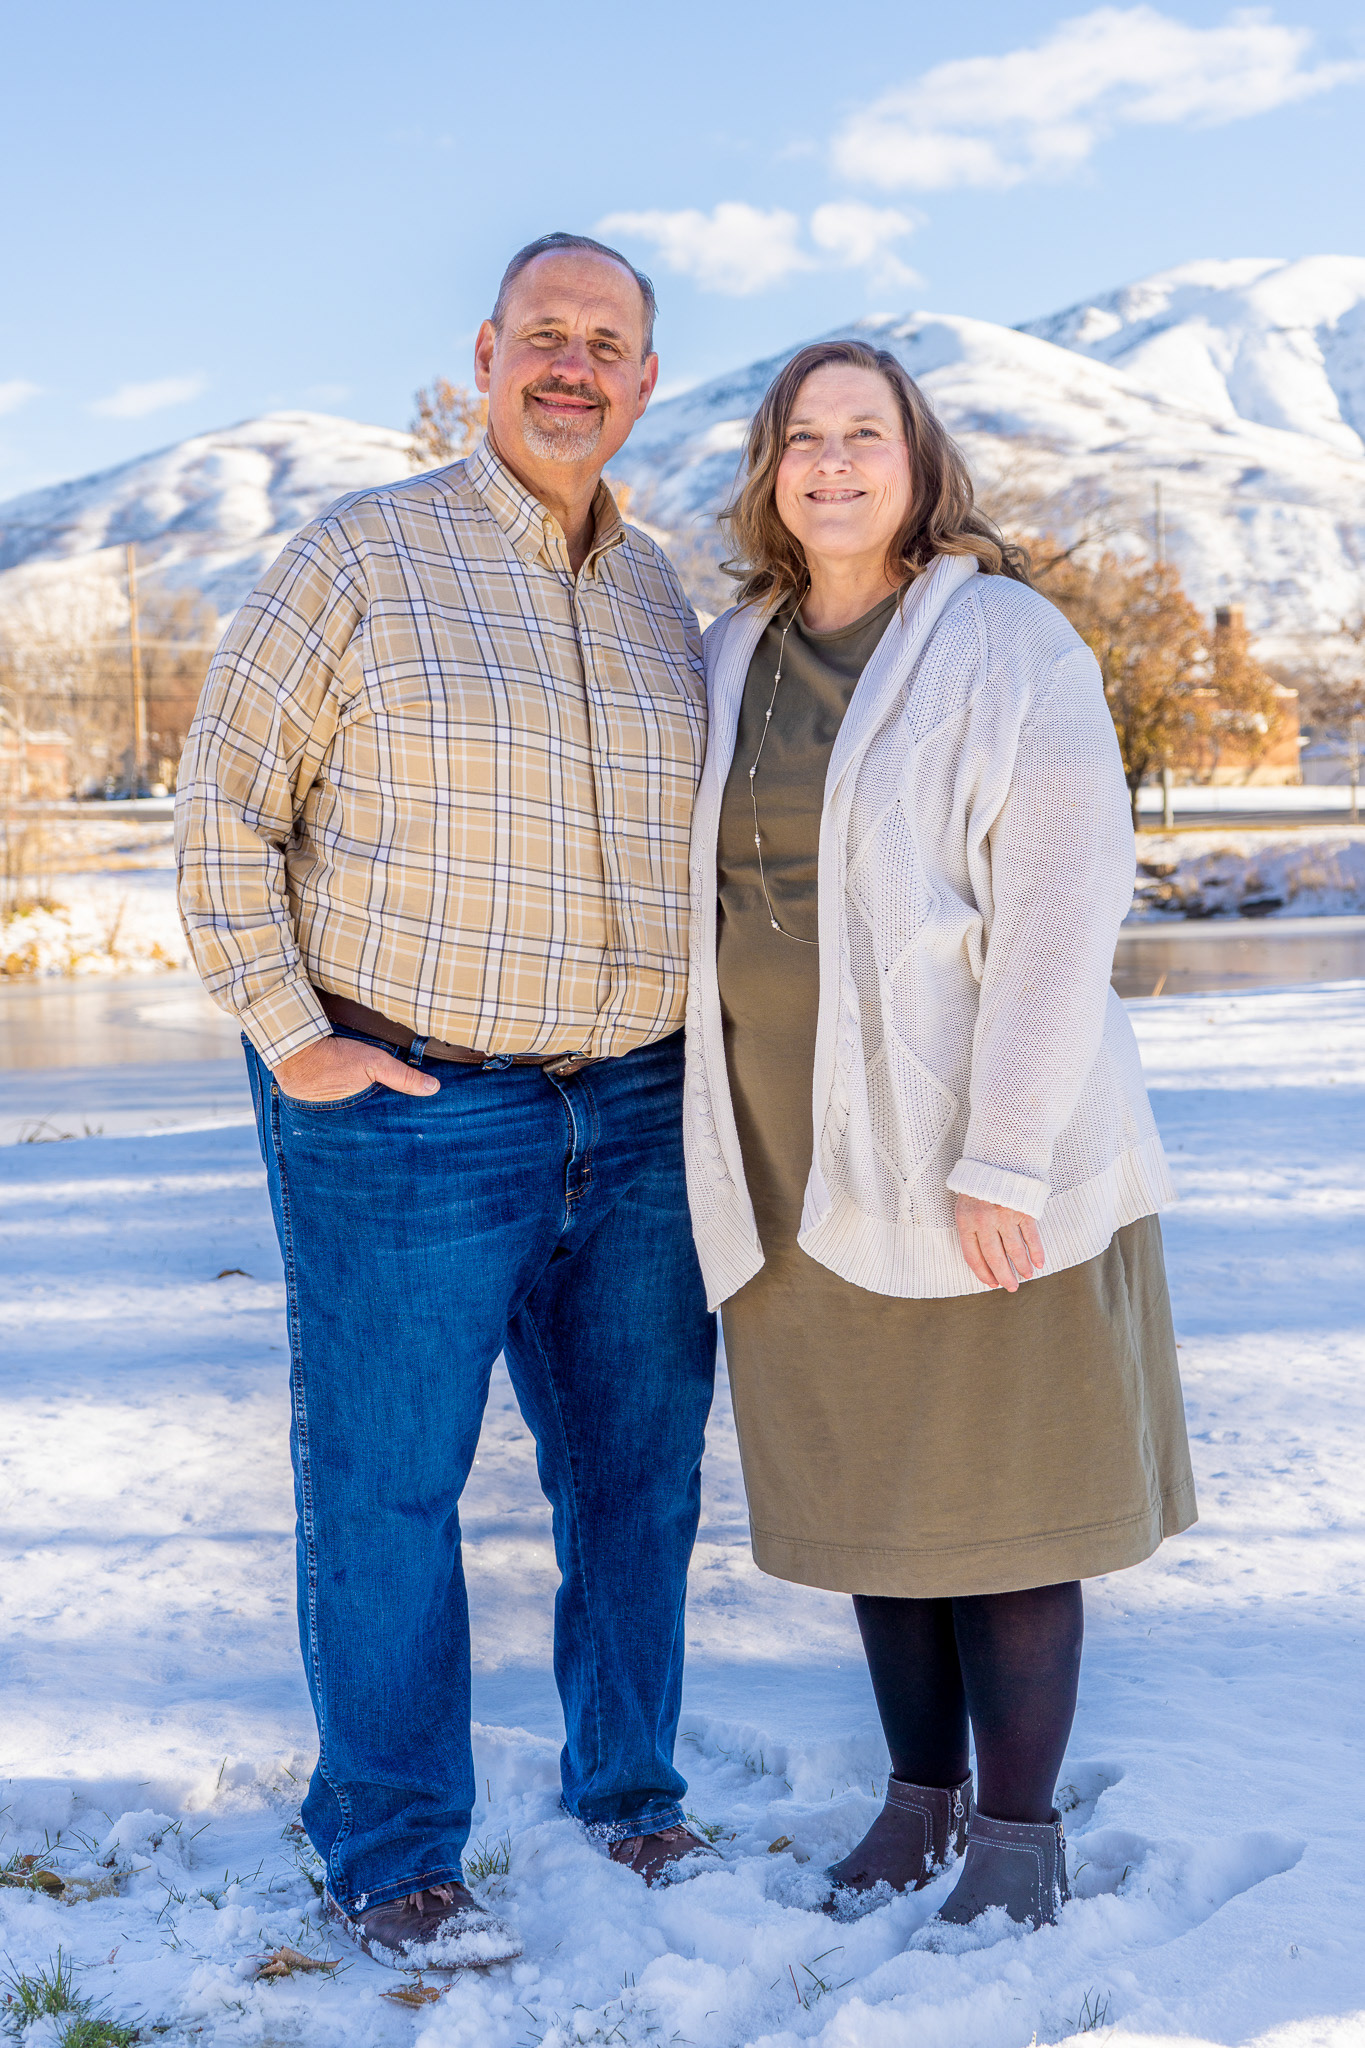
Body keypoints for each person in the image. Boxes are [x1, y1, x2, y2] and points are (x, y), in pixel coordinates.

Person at [175, 232, 719, 1973]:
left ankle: (628, 1792)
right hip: (408, 1106)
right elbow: (223, 810)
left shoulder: (666, 597)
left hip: (636, 1112)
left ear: (645, 383)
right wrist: (291, 1036)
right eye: (544, 334)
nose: (573, 367)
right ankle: (394, 1850)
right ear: (485, 357)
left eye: (607, 344)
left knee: (636, 1482)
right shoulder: (359, 555)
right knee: (387, 1491)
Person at [682, 339, 1196, 1933]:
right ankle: (918, 1803)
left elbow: (1061, 910)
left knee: (1001, 1493)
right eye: (802, 436)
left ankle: (1018, 1838)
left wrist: (1004, 1155)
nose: (832, 462)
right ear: (769, 469)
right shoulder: (732, 647)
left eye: (865, 433)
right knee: (876, 1500)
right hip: (787, 1152)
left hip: (975, 1144)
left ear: (919, 464)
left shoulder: (1003, 639)